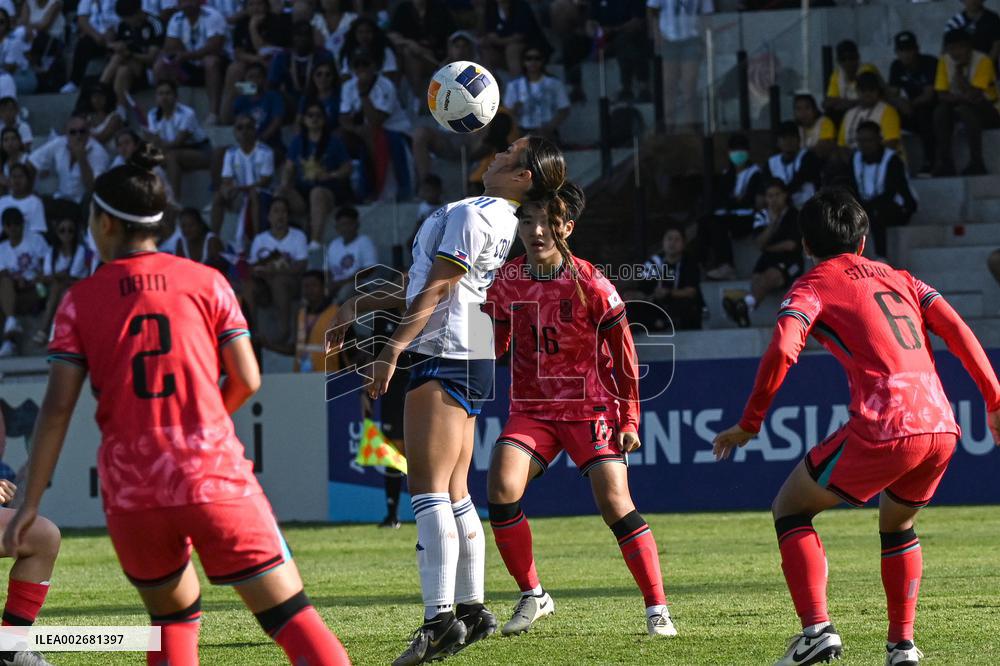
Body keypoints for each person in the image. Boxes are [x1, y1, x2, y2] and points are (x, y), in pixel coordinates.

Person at [1, 145, 352, 665]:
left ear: (104, 223)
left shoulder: (79, 301)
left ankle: (14, 645)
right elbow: (248, 378)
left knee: (171, 624)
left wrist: (29, 503)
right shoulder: (207, 281)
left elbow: (55, 412)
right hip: (210, 473)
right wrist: (203, 425)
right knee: (290, 616)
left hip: (134, 489)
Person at [712, 188, 1000, 666]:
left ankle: (816, 631)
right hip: (940, 422)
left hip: (886, 422)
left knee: (789, 508)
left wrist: (750, 422)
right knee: (898, 523)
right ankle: (902, 646)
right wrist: (994, 400)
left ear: (806, 245)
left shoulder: (812, 285)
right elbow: (958, 331)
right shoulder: (904, 278)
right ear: (862, 241)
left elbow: (783, 347)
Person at [328, 136, 566, 665]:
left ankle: (438, 621)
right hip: (470, 346)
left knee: (428, 489)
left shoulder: (475, 213)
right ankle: (472, 608)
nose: (499, 152)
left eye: (511, 151)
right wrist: (363, 302)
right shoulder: (496, 216)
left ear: (523, 176)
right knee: (455, 489)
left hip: (444, 347)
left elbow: (437, 287)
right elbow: (429, 283)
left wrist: (392, 349)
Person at [484, 183, 676, 638]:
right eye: (527, 221)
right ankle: (533, 595)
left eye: (547, 222)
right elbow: (494, 344)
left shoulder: (591, 282)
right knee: (501, 488)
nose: (536, 231)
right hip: (532, 410)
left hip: (591, 408)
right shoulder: (507, 280)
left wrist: (630, 419)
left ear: (567, 228)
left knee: (615, 503)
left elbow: (625, 354)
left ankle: (657, 609)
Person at [723, 179, 803, 328]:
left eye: (777, 195)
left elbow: (790, 245)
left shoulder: (795, 215)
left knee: (770, 276)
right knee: (757, 279)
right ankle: (745, 307)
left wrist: (768, 247)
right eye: (770, 196)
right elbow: (759, 243)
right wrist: (772, 225)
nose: (774, 199)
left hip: (790, 260)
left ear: (785, 195)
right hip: (767, 259)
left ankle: (743, 305)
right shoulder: (762, 215)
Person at [339, 47, 413, 201]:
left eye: (365, 64)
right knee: (339, 136)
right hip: (364, 130)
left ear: (374, 66)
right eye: (357, 65)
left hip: (394, 129)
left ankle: (375, 188)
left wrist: (363, 94)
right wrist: (356, 129)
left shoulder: (386, 85)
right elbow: (343, 117)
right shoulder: (348, 86)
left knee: (375, 136)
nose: (361, 69)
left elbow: (376, 121)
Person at [281, 101, 352, 247]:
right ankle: (274, 239)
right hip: (302, 192)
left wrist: (331, 175)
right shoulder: (297, 141)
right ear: (304, 119)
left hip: (327, 190)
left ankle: (315, 242)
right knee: (279, 192)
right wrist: (285, 185)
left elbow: (347, 167)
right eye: (310, 115)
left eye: (318, 115)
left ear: (324, 119)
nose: (314, 118)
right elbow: (288, 168)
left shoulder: (334, 141)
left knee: (316, 193)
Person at [933, 28, 1000, 177]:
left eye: (960, 47)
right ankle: (945, 163)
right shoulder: (944, 61)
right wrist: (961, 98)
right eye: (951, 49)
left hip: (990, 110)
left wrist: (959, 75)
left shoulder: (983, 60)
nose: (955, 53)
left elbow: (975, 94)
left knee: (965, 110)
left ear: (969, 47)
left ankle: (977, 162)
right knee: (940, 112)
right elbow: (941, 95)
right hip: (960, 104)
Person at [700, 133, 765, 280]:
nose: (738, 154)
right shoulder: (727, 174)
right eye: (734, 150)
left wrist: (734, 202)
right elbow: (720, 199)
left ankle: (727, 265)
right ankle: (703, 263)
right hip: (730, 216)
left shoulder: (756, 173)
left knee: (718, 224)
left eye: (741, 150)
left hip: (747, 218)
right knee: (705, 222)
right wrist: (734, 201)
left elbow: (750, 201)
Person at [246, 196, 308, 346]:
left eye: (284, 211)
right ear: (269, 216)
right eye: (276, 211)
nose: (280, 215)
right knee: (249, 286)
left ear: (288, 215)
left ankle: (284, 331)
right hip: (265, 285)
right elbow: (252, 267)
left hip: (290, 284)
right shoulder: (260, 239)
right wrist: (260, 271)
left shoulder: (298, 236)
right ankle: (251, 332)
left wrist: (275, 270)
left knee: (279, 282)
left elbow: (301, 266)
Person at [849, 122, 916, 261]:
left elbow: (892, 192)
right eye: (861, 141)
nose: (865, 145)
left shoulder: (892, 160)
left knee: (877, 212)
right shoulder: (855, 159)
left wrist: (866, 207)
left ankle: (881, 257)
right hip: (868, 205)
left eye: (869, 140)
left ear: (879, 140)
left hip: (899, 206)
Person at [155, 0, 227, 124]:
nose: (187, 4)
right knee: (161, 64)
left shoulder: (213, 16)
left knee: (210, 62)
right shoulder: (176, 18)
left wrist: (187, 55)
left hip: (218, 64)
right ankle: (169, 111)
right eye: (183, 1)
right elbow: (170, 46)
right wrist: (184, 55)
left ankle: (214, 113)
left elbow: (214, 47)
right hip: (189, 62)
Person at [647, 0, 713, 132]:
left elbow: (707, 13)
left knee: (689, 84)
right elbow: (652, 9)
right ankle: (669, 126)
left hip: (692, 38)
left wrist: (706, 39)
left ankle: (691, 125)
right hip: (668, 38)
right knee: (668, 85)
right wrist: (656, 34)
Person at [220, 0, 290, 121]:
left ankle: (269, 112)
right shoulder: (241, 24)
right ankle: (226, 115)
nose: (255, 8)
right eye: (251, 4)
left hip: (271, 62)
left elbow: (263, 50)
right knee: (234, 69)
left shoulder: (276, 22)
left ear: (266, 6)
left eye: (259, 4)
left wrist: (253, 28)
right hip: (252, 61)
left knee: (269, 67)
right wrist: (256, 59)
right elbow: (238, 53)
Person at [212, 114, 275, 246]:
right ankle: (214, 237)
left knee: (253, 193)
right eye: (240, 128)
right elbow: (227, 179)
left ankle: (257, 240)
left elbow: (265, 181)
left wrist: (239, 188)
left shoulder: (266, 152)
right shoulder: (231, 153)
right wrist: (229, 190)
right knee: (219, 196)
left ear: (255, 130)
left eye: (248, 127)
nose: (244, 131)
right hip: (239, 195)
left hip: (262, 195)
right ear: (235, 132)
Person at [144, 79, 211, 198]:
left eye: (168, 93)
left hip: (199, 151)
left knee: (171, 157)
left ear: (176, 97)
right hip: (170, 151)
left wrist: (155, 141)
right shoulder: (152, 114)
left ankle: (174, 200)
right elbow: (154, 144)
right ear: (156, 98)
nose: (164, 97)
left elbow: (177, 142)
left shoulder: (187, 113)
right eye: (160, 94)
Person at [29, 115, 111, 210]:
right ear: (66, 134)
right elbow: (31, 161)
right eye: (73, 132)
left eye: (82, 131)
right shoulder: (59, 143)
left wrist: (82, 158)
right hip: (60, 200)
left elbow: (93, 188)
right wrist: (28, 192)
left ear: (88, 133)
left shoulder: (99, 153)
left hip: (83, 205)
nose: (78, 136)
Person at [630, 227, 703, 331]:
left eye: (677, 240)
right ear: (663, 242)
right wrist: (637, 295)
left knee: (688, 305)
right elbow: (644, 289)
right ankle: (657, 324)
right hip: (657, 305)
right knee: (632, 306)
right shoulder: (654, 261)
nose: (672, 243)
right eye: (669, 239)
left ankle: (667, 324)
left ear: (683, 244)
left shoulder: (690, 262)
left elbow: (691, 292)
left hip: (678, 304)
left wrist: (668, 292)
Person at [886, 31, 937, 176]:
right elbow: (892, 94)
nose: (906, 54)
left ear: (917, 49)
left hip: (931, 108)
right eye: (902, 50)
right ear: (897, 52)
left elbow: (929, 95)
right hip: (911, 109)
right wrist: (901, 103)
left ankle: (929, 161)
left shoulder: (929, 63)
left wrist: (910, 104)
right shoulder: (896, 66)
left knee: (924, 115)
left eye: (909, 50)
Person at [100, 0, 165, 113]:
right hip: (130, 71)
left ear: (138, 12)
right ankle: (121, 111)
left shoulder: (155, 24)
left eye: (128, 18)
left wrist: (129, 54)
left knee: (118, 57)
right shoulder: (123, 25)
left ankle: (101, 87)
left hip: (150, 71)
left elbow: (151, 58)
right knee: (122, 70)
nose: (127, 22)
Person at [387, 0, 455, 106]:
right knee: (409, 53)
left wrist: (449, 58)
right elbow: (391, 35)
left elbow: (452, 35)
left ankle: (417, 99)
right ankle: (416, 97)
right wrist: (409, 43)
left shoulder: (440, 9)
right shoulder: (403, 9)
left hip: (435, 58)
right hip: (410, 57)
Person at [0, 207, 48, 357]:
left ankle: (9, 340)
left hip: (38, 288)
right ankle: (10, 330)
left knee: (6, 303)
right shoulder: (1, 249)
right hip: (14, 291)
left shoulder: (36, 240)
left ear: (22, 224)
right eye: (9, 224)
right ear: (4, 227)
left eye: (16, 223)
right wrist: (17, 280)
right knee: (5, 283)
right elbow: (3, 274)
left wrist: (31, 281)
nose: (13, 228)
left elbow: (47, 268)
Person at [35, 215, 87, 344]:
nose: (66, 234)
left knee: (60, 289)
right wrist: (59, 276)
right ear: (57, 233)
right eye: (62, 230)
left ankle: (45, 329)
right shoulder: (51, 251)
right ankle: (52, 330)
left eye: (70, 230)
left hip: (75, 287)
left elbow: (73, 275)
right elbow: (47, 276)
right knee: (58, 288)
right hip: (54, 288)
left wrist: (57, 276)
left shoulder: (80, 250)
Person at [502, 47, 570, 142]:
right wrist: (515, 109)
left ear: (542, 61)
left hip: (548, 132)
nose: (533, 62)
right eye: (529, 58)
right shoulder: (514, 85)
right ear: (524, 62)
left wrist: (550, 127)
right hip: (523, 132)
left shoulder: (554, 83)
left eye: (537, 58)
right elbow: (507, 112)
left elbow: (564, 109)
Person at [61, 0, 118, 94]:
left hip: (117, 33)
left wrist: (113, 32)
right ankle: (74, 82)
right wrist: (96, 36)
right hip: (96, 35)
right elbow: (82, 20)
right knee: (83, 44)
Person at [837, 72, 901, 154]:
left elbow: (891, 143)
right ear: (857, 91)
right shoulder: (849, 114)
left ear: (878, 91)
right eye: (863, 90)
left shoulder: (888, 111)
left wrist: (862, 157)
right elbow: (841, 145)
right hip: (853, 158)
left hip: (880, 159)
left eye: (871, 90)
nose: (867, 93)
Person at [480, 0, 548, 78]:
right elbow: (490, 33)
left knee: (512, 49)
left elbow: (519, 36)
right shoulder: (491, 7)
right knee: (486, 50)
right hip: (501, 48)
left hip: (529, 45)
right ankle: (489, 82)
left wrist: (498, 41)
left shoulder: (521, 6)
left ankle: (517, 83)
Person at [226, 61, 285, 146]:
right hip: (247, 145)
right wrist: (232, 94)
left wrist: (260, 139)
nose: (254, 80)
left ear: (265, 79)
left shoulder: (273, 96)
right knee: (219, 151)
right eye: (250, 77)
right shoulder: (241, 99)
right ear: (245, 80)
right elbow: (230, 120)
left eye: (258, 77)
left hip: (270, 144)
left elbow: (277, 121)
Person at [766, 122, 821, 210]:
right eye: (784, 138)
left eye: (792, 137)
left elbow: (800, 178)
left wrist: (785, 195)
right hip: (780, 210)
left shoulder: (808, 157)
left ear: (799, 140)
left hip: (806, 208)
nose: (788, 141)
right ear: (777, 142)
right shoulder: (771, 162)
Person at [325, 205, 376, 299]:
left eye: (349, 224)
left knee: (346, 291)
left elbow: (369, 269)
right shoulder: (333, 244)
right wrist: (329, 283)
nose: (346, 228)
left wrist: (342, 283)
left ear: (357, 224)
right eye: (342, 225)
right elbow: (328, 270)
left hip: (360, 284)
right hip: (336, 284)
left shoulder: (364, 241)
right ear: (336, 227)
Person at [822, 40, 880, 121]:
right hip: (849, 113)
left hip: (869, 111)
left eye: (851, 58)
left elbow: (869, 99)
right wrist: (842, 103)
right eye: (843, 59)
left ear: (858, 57)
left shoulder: (867, 70)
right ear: (838, 61)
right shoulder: (837, 75)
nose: (848, 62)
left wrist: (847, 103)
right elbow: (829, 101)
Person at [337, 15, 398, 81]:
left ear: (374, 33)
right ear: (354, 34)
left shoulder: (385, 51)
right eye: (360, 32)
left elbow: (389, 77)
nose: (364, 36)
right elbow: (346, 77)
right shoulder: (348, 52)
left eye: (368, 31)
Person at [74, 80, 125, 149]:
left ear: (108, 98)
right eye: (94, 96)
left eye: (101, 96)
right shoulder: (87, 117)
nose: (97, 100)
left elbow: (101, 139)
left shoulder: (115, 118)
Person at [175, 207, 225, 272]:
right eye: (183, 226)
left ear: (200, 225)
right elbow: (180, 269)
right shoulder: (181, 243)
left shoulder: (212, 242)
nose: (187, 230)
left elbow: (221, 269)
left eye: (191, 225)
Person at [0, 162, 45, 234]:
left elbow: (38, 230)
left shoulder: (35, 202)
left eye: (20, 176)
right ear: (9, 179)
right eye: (14, 176)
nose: (17, 180)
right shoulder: (2, 201)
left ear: (28, 180)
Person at [793, 93, 836, 162]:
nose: (803, 113)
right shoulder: (795, 128)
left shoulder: (825, 123)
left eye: (807, 108)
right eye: (799, 109)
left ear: (815, 110)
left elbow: (823, 149)